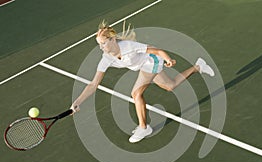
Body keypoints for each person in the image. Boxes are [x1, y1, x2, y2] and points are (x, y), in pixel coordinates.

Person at [71, 21, 215, 143]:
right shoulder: (106, 58)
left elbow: (157, 51)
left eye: (103, 43)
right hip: (143, 66)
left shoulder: (128, 46)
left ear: (112, 40)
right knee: (170, 86)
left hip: (152, 60)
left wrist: (168, 59)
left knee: (136, 93)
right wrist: (77, 102)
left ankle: (144, 128)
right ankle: (198, 67)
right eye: (99, 45)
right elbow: (93, 84)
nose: (101, 48)